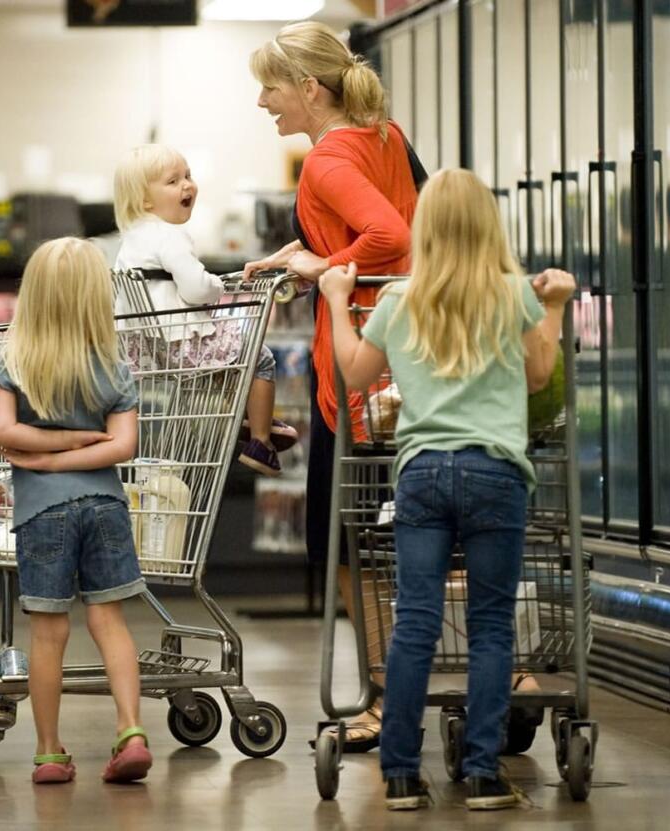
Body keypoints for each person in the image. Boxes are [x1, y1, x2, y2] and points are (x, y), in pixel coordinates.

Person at [319, 169, 576, 811]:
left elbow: (354, 371)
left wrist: (333, 296)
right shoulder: (512, 295)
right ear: (489, 225)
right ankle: (485, 773)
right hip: (495, 473)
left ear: (426, 229)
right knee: (491, 629)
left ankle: (402, 773)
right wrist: (556, 304)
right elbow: (540, 368)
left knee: (415, 624)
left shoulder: (400, 300)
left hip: (423, 474)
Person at [245, 20, 419, 751]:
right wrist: (306, 251)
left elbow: (390, 238)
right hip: (410, 362)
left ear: (310, 89)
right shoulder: (387, 136)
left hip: (355, 374)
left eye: (271, 87)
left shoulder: (324, 160)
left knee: (346, 546)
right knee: (410, 540)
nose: (262, 102)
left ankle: (383, 700)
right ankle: (476, 677)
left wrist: (324, 269)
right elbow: (411, 224)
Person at [0, 237, 152, 785]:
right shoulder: (112, 365)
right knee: (110, 621)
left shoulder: (15, 360)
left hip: (43, 514)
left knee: (48, 633)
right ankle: (130, 730)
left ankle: (50, 752)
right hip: (105, 506)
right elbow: (122, 445)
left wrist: (50, 461)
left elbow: (4, 432)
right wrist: (84, 444)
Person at [113, 144, 298, 476]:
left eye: (188, 176)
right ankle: (260, 440)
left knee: (232, 363)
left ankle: (245, 416)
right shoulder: (169, 235)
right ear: (145, 200)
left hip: (148, 349)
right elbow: (197, 289)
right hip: (182, 342)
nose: (187, 185)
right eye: (173, 181)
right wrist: (218, 286)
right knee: (259, 357)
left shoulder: (131, 239)